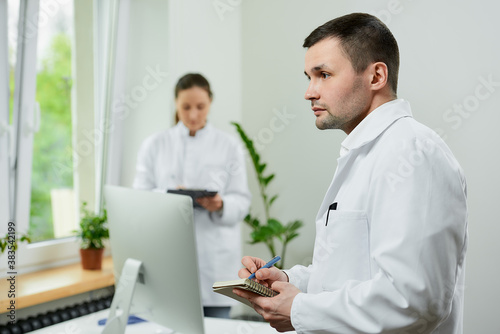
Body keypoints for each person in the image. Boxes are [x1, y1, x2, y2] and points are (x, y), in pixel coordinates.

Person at [234, 13, 468, 333]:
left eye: (324, 75)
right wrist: (288, 280)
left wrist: (299, 308)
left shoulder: (414, 154)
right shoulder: (363, 153)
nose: (310, 92)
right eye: (309, 77)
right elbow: (346, 274)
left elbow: (414, 300)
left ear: (376, 77)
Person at [133, 73, 251, 319]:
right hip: (169, 259)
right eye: (186, 107)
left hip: (214, 262)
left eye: (201, 107)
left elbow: (242, 201)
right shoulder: (154, 145)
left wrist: (220, 204)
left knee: (217, 326)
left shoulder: (229, 146)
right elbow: (139, 200)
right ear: (175, 103)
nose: (194, 115)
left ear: (210, 103)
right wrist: (169, 196)